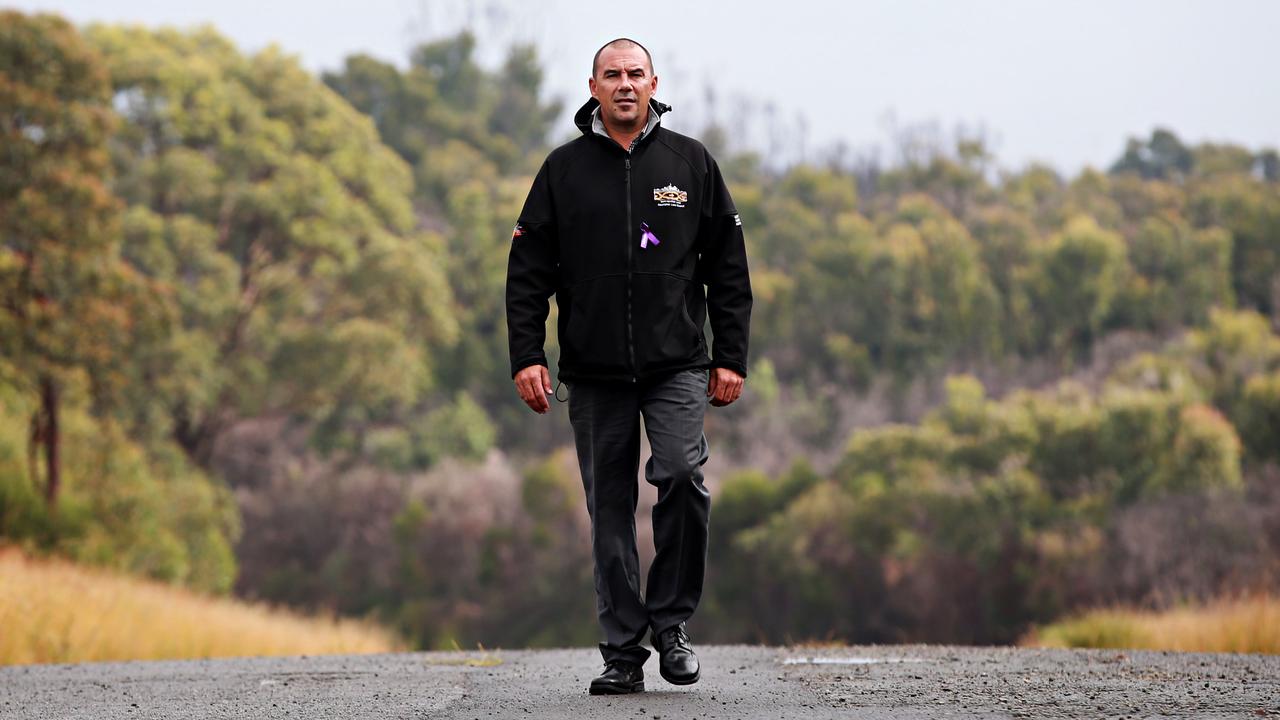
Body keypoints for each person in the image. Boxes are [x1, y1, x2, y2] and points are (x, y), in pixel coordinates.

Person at [505, 37, 752, 695]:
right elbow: (528, 271)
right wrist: (527, 355)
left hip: (677, 364)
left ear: (653, 84)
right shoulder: (562, 170)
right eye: (611, 75)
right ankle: (621, 652)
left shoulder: (691, 163)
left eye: (634, 74)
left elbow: (728, 267)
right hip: (593, 370)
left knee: (681, 476)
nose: (623, 84)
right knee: (608, 510)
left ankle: (671, 626)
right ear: (592, 87)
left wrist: (731, 356)